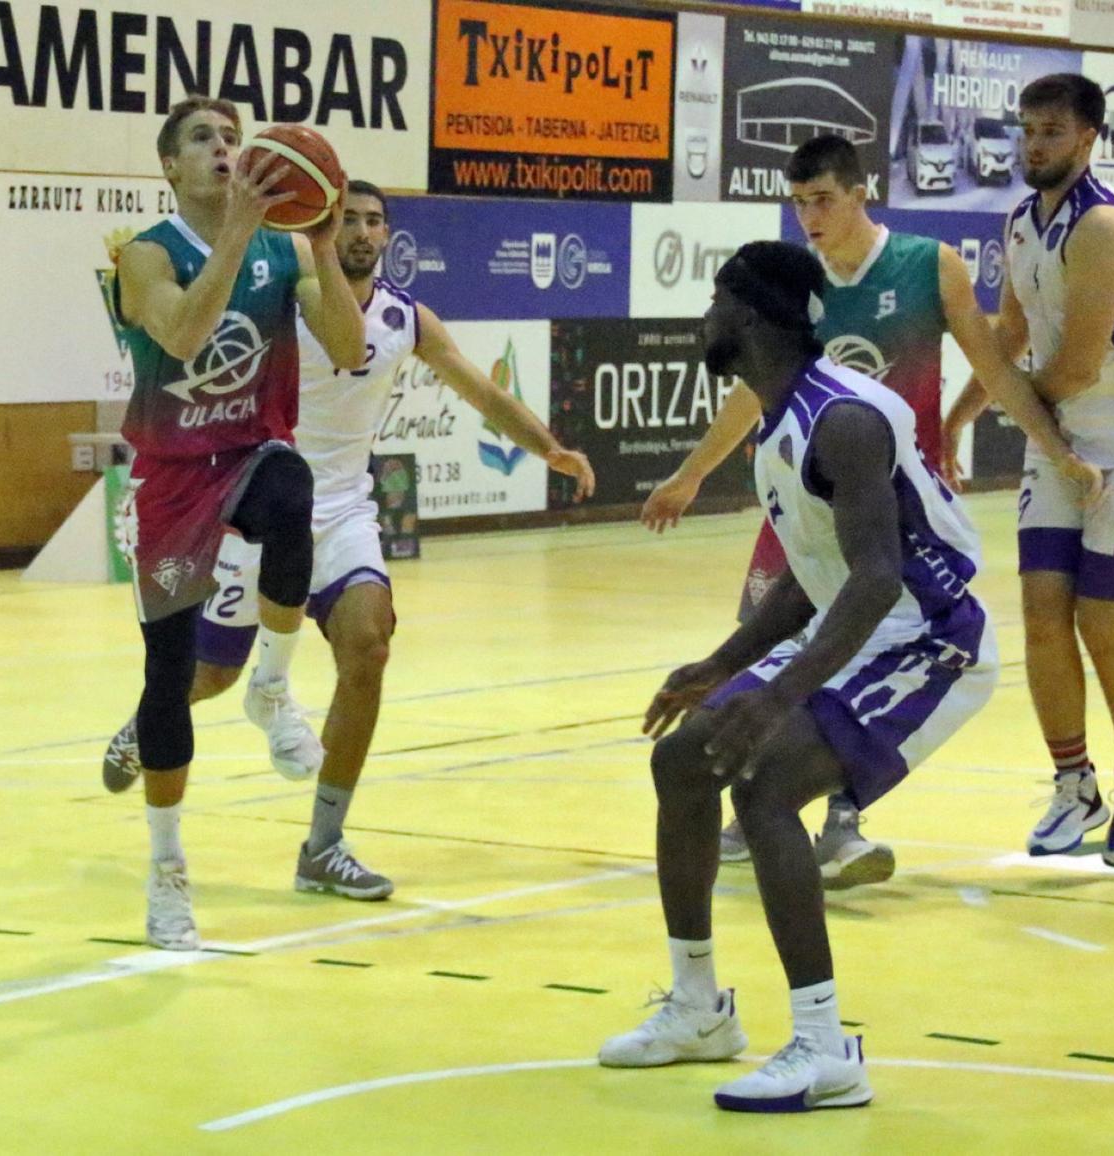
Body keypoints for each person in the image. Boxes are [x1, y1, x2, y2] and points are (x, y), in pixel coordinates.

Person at [103, 181, 596, 907]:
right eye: (349, 220)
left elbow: (482, 392)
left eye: (374, 221)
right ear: (320, 226)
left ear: (389, 235)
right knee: (211, 677)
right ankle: (147, 723)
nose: (362, 232)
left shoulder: (406, 316)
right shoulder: (282, 297)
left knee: (369, 647)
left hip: (341, 511)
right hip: (257, 502)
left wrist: (548, 448)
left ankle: (323, 847)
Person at [599, 241, 1000, 1113]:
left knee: (767, 784)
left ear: (746, 315)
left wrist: (778, 696)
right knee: (684, 762)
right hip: (856, 622)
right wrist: (722, 664)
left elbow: (877, 578)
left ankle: (825, 1050)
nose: (705, 317)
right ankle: (697, 1011)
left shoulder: (841, 419)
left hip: (929, 637)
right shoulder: (781, 420)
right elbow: (813, 575)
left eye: (715, 300)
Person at [639, 135, 1098, 882]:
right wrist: (691, 475)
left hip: (893, 501)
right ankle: (762, 800)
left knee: (870, 636)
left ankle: (835, 820)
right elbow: (751, 392)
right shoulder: (793, 282)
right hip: (807, 487)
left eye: (823, 199)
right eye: (798, 203)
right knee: (770, 633)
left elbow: (992, 362)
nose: (810, 217)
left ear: (861, 193)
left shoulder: (927, 265)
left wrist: (1050, 446)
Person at [112, 96, 366, 950]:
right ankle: (166, 870)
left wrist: (321, 243)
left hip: (252, 451)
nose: (223, 148)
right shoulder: (146, 254)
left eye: (231, 135)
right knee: (168, 676)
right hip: (174, 475)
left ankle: (271, 689)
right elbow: (186, 337)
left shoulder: (284, 248)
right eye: (202, 139)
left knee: (291, 489)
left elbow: (349, 348)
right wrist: (238, 232)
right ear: (171, 167)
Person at [941, 74, 1114, 865]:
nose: (1034, 145)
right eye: (1027, 130)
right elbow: (1011, 337)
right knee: (1041, 610)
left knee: (1100, 615)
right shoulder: (1023, 222)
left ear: (1088, 137)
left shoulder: (1107, 226)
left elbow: (1080, 366)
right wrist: (959, 414)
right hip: (1060, 431)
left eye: (1051, 131)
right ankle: (1072, 782)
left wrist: (1019, 413)